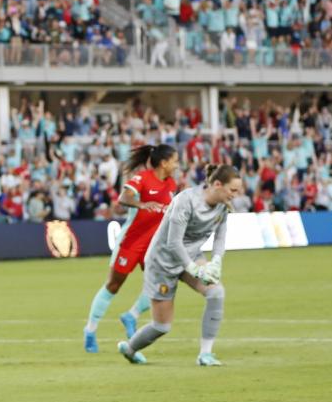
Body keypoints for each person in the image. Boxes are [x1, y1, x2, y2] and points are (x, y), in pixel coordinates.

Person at [118, 164, 243, 367]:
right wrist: (194, 269)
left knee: (216, 293)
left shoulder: (223, 206)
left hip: (191, 256)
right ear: (218, 184)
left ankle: (205, 354)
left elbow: (220, 238)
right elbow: (173, 242)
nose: (236, 195)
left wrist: (216, 261)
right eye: (233, 190)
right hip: (162, 263)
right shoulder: (186, 201)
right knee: (162, 326)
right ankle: (130, 349)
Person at [82, 144, 179, 353]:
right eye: (174, 161)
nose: (177, 165)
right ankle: (90, 330)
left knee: (159, 286)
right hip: (131, 242)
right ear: (163, 163)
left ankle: (131, 316)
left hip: (153, 246)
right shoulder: (142, 178)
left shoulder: (171, 184)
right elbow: (123, 198)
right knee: (113, 285)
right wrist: (143, 204)